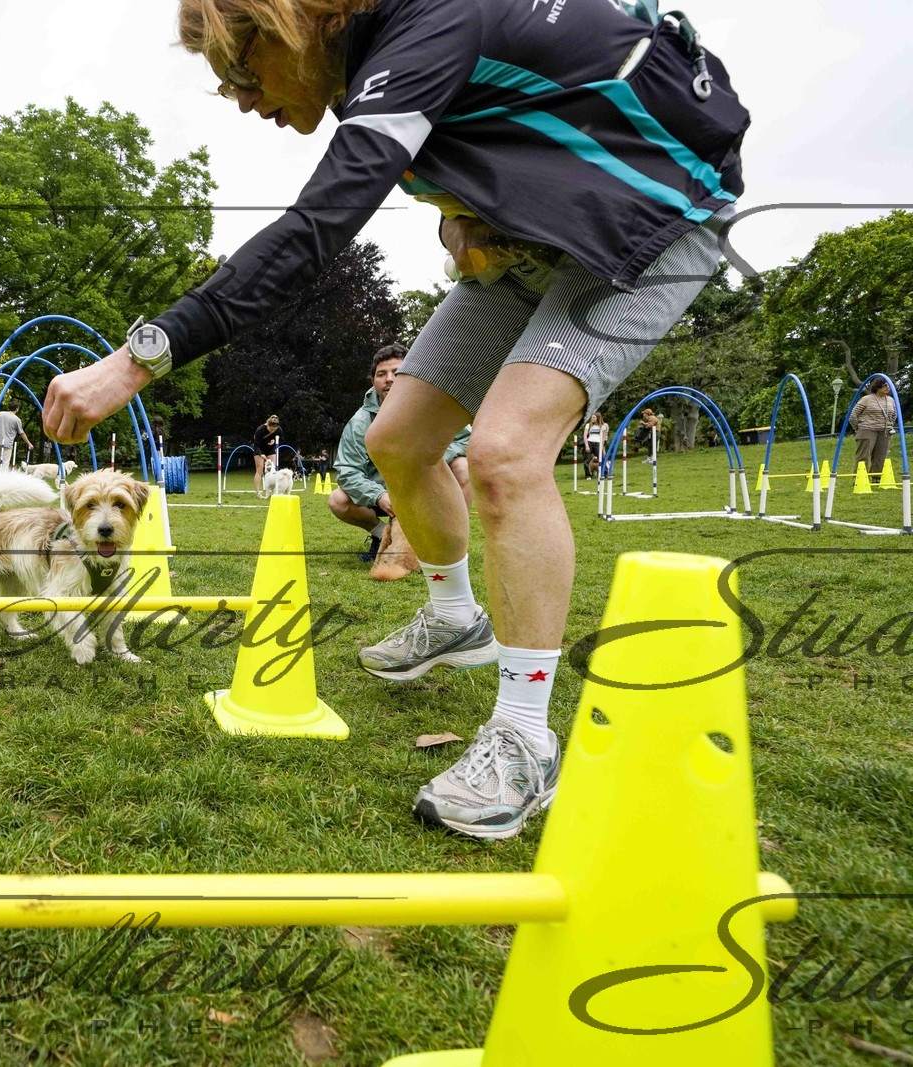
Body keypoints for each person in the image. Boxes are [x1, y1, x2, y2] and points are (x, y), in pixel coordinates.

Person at [42, 0, 745, 839]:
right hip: (537, 241)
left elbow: (314, 233)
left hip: (659, 219)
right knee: (397, 439)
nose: (237, 97)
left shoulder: (427, 25)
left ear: (290, 24)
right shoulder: (378, 61)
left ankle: (524, 740)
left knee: (505, 452)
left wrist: (136, 360)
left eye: (239, 68)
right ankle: (455, 617)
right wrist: (465, 207)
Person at [329, 344, 469, 571]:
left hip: (426, 489)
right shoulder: (359, 422)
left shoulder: (432, 406)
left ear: (409, 374)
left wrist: (430, 459)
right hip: (384, 497)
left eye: (397, 372)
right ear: (373, 381)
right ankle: (381, 536)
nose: (389, 379)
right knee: (338, 500)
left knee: (463, 467)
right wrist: (379, 495)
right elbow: (347, 470)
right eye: (381, 374)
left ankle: (450, 546)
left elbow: (466, 440)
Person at [849, 380, 898, 478]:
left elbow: (894, 415)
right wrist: (858, 428)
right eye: (885, 386)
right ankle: (859, 479)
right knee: (863, 456)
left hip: (884, 431)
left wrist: (889, 424)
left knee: (880, 456)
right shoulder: (866, 399)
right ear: (877, 387)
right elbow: (853, 415)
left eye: (889, 386)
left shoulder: (890, 400)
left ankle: (876, 478)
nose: (887, 388)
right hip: (867, 429)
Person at [0, 400, 32, 470]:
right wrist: (29, 443)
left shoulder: (1, 414)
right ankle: (3, 478)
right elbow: (21, 433)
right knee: (5, 462)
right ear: (17, 409)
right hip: (8, 443)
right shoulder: (17, 419)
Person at [252, 414, 281, 495]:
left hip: (270, 450)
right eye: (271, 429)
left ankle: (273, 491)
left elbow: (282, 440)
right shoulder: (260, 429)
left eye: (274, 430)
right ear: (268, 425)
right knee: (259, 469)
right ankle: (257, 492)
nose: (272, 431)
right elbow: (256, 444)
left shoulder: (279, 430)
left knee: (273, 469)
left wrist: (274, 442)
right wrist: (260, 454)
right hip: (259, 449)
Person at [582, 412, 609, 478]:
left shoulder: (603, 426)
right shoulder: (588, 425)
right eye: (591, 417)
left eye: (593, 417)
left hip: (598, 444)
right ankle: (588, 475)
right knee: (586, 460)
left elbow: (603, 437)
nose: (592, 418)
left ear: (598, 418)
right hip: (590, 443)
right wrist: (587, 446)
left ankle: (605, 474)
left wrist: (602, 447)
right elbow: (585, 435)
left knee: (602, 458)